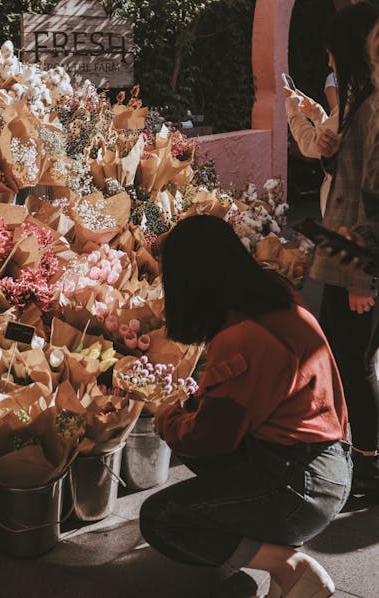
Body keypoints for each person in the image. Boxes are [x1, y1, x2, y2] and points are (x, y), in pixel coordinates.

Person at [140, 215, 351, 598]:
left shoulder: (242, 338)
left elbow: (209, 440)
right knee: (195, 430)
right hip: (323, 465)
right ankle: (278, 558)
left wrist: (167, 418)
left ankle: (290, 565)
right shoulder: (275, 296)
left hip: (301, 483)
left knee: (159, 518)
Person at [309, 2, 379, 495]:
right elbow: (351, 179)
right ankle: (360, 457)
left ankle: (369, 468)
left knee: (356, 364)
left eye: (333, 53)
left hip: (358, 261)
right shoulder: (361, 103)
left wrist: (360, 276)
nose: (329, 61)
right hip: (346, 253)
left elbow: (374, 198)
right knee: (349, 359)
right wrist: (331, 158)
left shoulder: (374, 108)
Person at [284, 58, 339, 216]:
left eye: (331, 54)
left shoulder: (353, 104)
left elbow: (312, 146)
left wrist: (292, 109)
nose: (329, 62)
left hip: (341, 205)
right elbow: (334, 130)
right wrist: (317, 114)